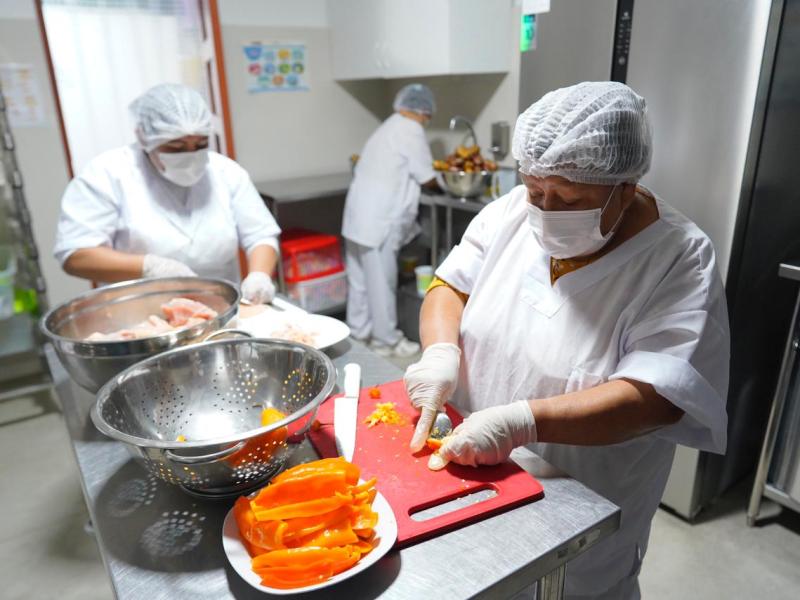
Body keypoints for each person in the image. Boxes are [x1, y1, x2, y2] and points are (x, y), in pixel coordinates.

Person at [404, 82, 729, 599]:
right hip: (469, 479)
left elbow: (658, 397)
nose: (545, 209)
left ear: (625, 187)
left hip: (579, 507)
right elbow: (449, 286)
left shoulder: (678, 259)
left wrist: (521, 422)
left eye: (570, 199)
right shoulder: (510, 211)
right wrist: (440, 351)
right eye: (536, 191)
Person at [54, 83, 280, 304]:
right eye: (175, 147)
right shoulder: (107, 175)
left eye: (201, 144)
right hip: (138, 312)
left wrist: (259, 276)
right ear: (143, 137)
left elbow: (260, 234)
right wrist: (151, 268)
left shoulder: (226, 172)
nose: (190, 155)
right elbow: (76, 255)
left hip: (220, 305)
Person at [342, 83, 442, 357]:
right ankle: (386, 341)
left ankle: (358, 334)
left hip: (358, 216)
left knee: (361, 281)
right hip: (379, 220)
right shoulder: (411, 129)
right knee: (382, 282)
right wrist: (444, 185)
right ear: (423, 111)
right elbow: (426, 176)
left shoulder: (388, 126)